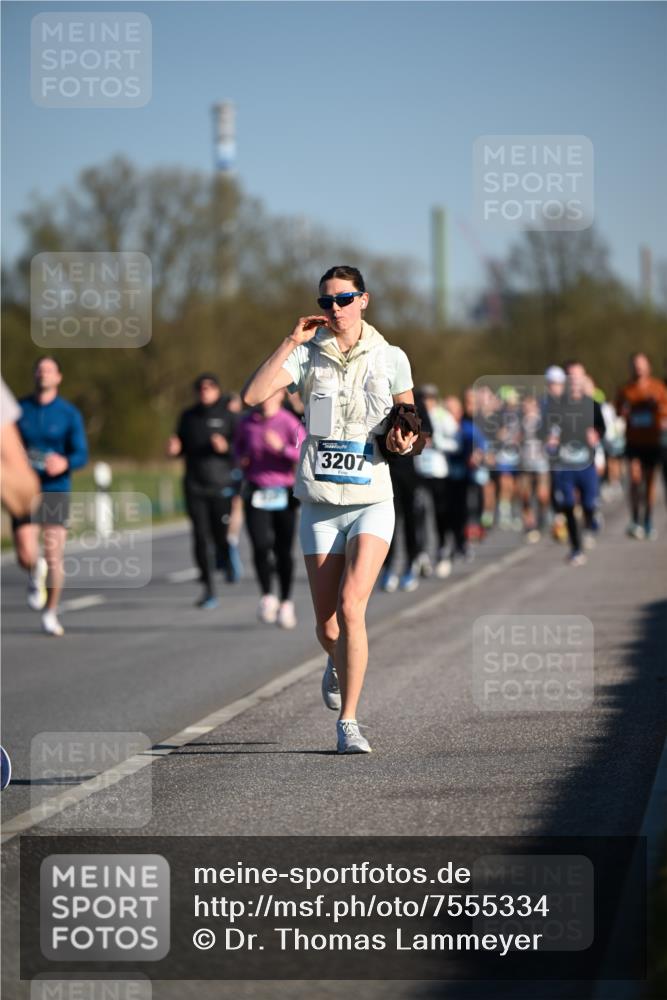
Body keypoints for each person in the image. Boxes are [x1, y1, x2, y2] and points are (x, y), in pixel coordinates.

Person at [242, 265, 418, 754]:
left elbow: (410, 423)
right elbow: (252, 396)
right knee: (327, 625)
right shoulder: (306, 356)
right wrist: (289, 342)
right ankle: (336, 659)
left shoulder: (391, 357)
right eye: (326, 302)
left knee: (351, 605)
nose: (335, 309)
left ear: (364, 299)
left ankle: (349, 723)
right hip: (320, 504)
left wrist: (403, 440)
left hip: (372, 501)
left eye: (343, 299)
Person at [13, 357, 88, 636]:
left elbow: (82, 453)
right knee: (25, 554)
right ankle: (35, 570)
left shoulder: (68, 413)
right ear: (34, 375)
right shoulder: (19, 409)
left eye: (49, 370)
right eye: (40, 369)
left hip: (56, 488)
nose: (43, 374)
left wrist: (65, 462)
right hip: (24, 488)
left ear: (58, 377)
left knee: (55, 555)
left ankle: (51, 612)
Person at [234, 388, 305, 628]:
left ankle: (286, 602)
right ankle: (267, 596)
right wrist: (240, 459)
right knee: (260, 545)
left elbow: (305, 452)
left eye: (270, 395)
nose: (265, 400)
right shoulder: (247, 423)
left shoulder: (289, 422)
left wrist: (281, 448)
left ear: (280, 396)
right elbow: (236, 449)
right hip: (256, 490)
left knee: (283, 549)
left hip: (283, 491)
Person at [167, 373, 239, 608]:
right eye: (200, 388)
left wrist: (226, 448)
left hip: (221, 485)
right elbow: (180, 445)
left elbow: (242, 449)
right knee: (199, 536)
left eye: (209, 387)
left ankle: (226, 555)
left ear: (217, 390)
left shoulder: (229, 416)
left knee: (220, 535)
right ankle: (208, 588)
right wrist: (175, 449)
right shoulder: (188, 416)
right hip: (194, 485)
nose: (204, 391)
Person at [616, 352, 667, 539]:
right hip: (633, 441)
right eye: (635, 364)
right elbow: (618, 411)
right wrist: (624, 411)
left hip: (652, 441)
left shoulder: (658, 387)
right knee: (635, 479)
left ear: (648, 367)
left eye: (641, 364)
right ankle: (635, 518)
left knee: (650, 482)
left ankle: (648, 520)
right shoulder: (625, 390)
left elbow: (665, 411)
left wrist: (659, 411)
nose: (638, 368)